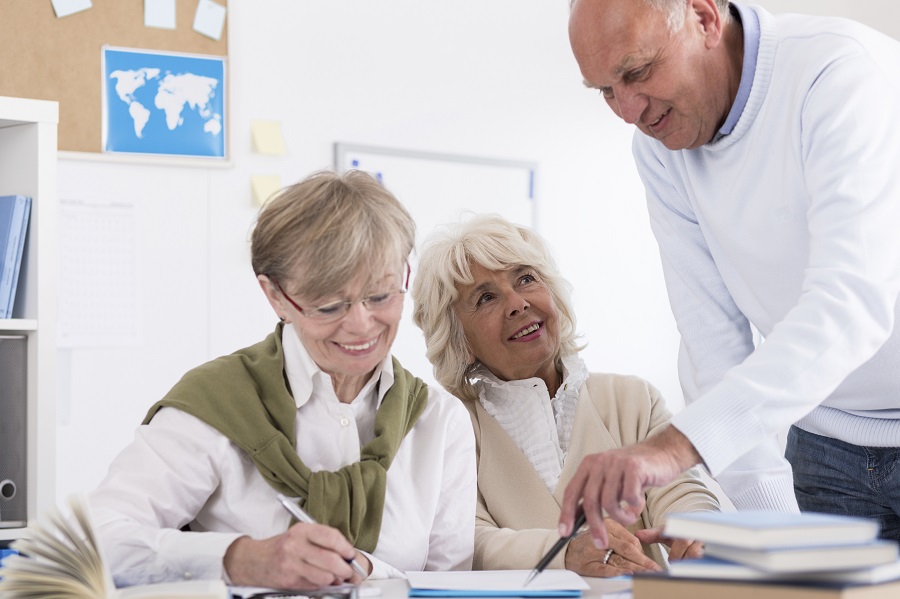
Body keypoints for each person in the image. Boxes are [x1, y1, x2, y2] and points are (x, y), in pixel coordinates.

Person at [563, 0, 900, 548]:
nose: (628, 110)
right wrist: (771, 534)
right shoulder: (660, 151)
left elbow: (853, 302)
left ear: (703, 18)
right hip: (825, 439)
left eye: (638, 71)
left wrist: (673, 447)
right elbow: (711, 343)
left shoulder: (835, 75)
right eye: (604, 90)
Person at [88, 170, 477, 588]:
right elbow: (95, 540)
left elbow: (448, 588)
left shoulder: (440, 421)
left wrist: (369, 572)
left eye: (380, 296)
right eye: (329, 306)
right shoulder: (217, 403)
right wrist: (238, 558)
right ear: (275, 295)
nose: (361, 325)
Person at [411, 213, 719, 576]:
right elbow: (464, 541)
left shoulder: (634, 399)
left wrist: (698, 531)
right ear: (459, 340)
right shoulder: (450, 423)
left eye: (525, 279)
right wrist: (564, 554)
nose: (517, 303)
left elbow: (682, 491)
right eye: (486, 298)